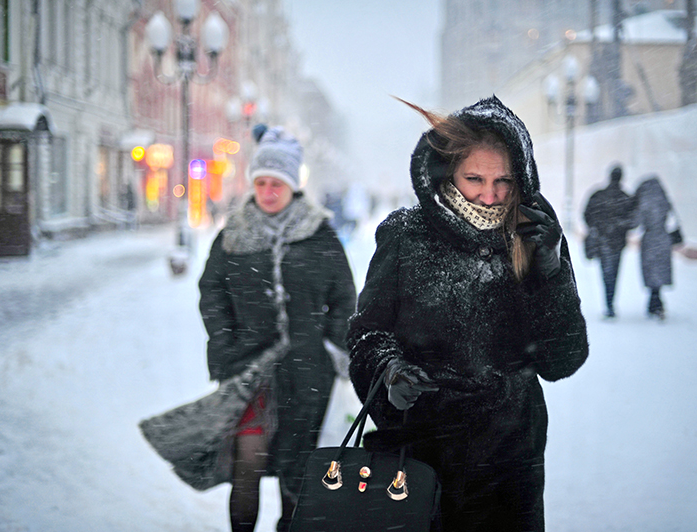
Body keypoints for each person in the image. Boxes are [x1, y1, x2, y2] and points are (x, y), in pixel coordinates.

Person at [347, 96, 589, 531]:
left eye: (504, 181)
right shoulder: (406, 234)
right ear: (448, 173)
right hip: (417, 458)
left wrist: (551, 271)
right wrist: (389, 371)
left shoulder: (535, 236)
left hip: (509, 466)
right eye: (474, 178)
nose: (490, 194)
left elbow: (563, 359)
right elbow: (367, 333)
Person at [198, 126, 356, 532]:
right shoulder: (233, 233)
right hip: (249, 371)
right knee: (247, 464)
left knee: (299, 469)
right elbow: (211, 289)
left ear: (292, 185)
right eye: (261, 182)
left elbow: (344, 295)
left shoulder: (319, 234)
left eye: (277, 183)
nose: (268, 191)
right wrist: (224, 339)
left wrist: (332, 345)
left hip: (308, 374)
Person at [583, 164, 636, 318]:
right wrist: (618, 226)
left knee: (606, 273)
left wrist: (598, 228)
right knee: (613, 273)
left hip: (602, 241)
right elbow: (632, 221)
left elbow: (587, 215)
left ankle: (609, 303)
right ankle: (610, 303)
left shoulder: (599, 195)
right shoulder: (625, 197)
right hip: (616, 243)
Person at [633, 175, 677, 320]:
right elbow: (671, 217)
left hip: (650, 239)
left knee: (651, 272)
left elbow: (636, 221)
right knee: (660, 271)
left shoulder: (644, 201)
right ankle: (656, 300)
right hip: (664, 239)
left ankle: (655, 302)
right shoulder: (664, 199)